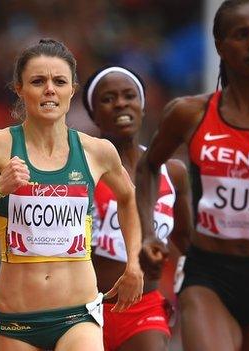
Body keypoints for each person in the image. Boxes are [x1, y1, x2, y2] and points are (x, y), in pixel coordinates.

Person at [0, 39, 144, 351]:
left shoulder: (97, 151)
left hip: (78, 317)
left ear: (72, 89)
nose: (49, 89)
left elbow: (129, 198)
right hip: (18, 323)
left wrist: (133, 262)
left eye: (59, 81)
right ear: (20, 89)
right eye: (38, 81)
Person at [135, 1, 249, 350]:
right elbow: (148, 166)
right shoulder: (189, 112)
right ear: (220, 45)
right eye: (242, 35)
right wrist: (149, 234)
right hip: (208, 273)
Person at [82, 66, 192, 351]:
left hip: (145, 308)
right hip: (86, 311)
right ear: (93, 114)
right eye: (108, 98)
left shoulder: (173, 172)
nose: (120, 103)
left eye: (129, 96)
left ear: (142, 106)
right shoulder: (81, 170)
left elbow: (186, 241)